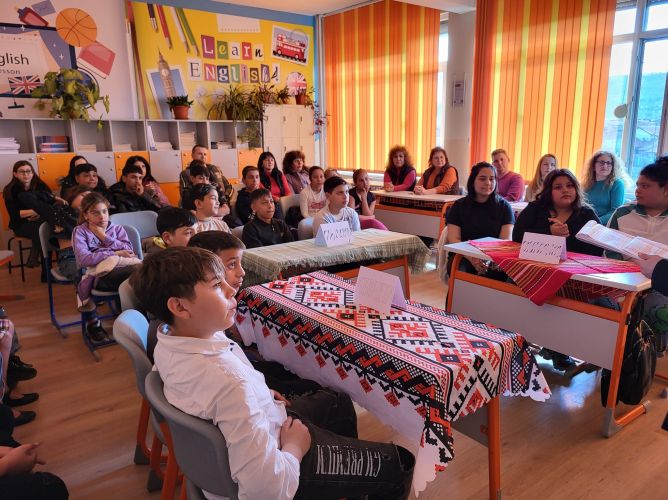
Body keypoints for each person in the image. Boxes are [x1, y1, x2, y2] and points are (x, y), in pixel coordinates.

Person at [132, 247, 415, 500]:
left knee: (338, 401)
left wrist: (262, 392)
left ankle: (344, 483)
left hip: (265, 424)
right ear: (180, 306)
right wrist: (294, 448)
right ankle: (335, 479)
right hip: (281, 462)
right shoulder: (231, 385)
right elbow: (265, 490)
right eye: (217, 285)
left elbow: (218, 396)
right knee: (399, 464)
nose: (231, 290)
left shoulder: (168, 339)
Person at [513, 169, 601, 371]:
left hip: (573, 276)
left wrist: (566, 240)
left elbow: (597, 249)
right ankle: (527, 341)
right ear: (549, 191)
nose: (565, 190)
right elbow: (517, 236)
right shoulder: (536, 208)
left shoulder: (586, 214)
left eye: (570, 186)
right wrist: (548, 232)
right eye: (558, 187)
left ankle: (559, 347)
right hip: (536, 271)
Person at [607, 157, 668, 355]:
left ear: (665, 189)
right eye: (638, 185)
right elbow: (609, 252)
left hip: (661, 285)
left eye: (645, 186)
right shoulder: (622, 213)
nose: (637, 190)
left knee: (657, 307)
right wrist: (632, 266)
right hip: (623, 281)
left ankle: (647, 355)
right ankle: (608, 355)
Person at [72, 192, 141, 342]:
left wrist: (104, 237)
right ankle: (94, 324)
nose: (102, 216)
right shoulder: (80, 231)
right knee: (140, 272)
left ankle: (137, 318)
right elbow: (84, 259)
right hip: (99, 275)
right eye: (95, 213)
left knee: (142, 273)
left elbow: (129, 252)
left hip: (124, 270)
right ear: (86, 215)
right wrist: (114, 253)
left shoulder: (117, 229)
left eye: (104, 211)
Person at [446, 162, 514, 277]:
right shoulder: (459, 206)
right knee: (461, 273)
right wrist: (472, 258)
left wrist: (491, 258)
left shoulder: (504, 207)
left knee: (504, 275)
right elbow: (454, 239)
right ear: (473, 182)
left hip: (493, 256)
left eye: (492, 179)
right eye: (482, 179)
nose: (488, 183)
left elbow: (505, 240)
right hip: (463, 255)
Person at [2, 161, 58, 267]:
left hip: (41, 221)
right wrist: (39, 210)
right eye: (22, 172)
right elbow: (16, 214)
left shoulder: (41, 186)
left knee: (45, 229)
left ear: (32, 173)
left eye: (28, 171)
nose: (26, 174)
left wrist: (40, 211)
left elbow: (52, 205)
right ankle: (46, 270)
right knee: (44, 231)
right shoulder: (10, 190)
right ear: (15, 174)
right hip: (21, 225)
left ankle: (36, 259)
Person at [582, 151, 626, 225]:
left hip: (604, 225)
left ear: (613, 167)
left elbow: (615, 211)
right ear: (593, 166)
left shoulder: (617, 184)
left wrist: (594, 222)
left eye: (609, 163)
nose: (605, 166)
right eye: (601, 162)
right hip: (586, 222)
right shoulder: (585, 184)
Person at [258, 151, 291, 219]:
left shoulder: (279, 174)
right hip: (270, 202)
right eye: (267, 160)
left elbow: (287, 191)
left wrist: (285, 201)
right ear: (261, 163)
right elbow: (265, 193)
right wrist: (276, 199)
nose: (270, 162)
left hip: (282, 201)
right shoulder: (258, 176)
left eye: (272, 160)